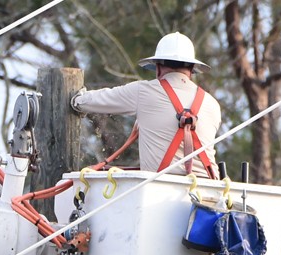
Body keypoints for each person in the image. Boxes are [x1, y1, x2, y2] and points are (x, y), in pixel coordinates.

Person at [72, 32, 221, 177]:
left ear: (158, 68)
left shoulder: (143, 91)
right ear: (191, 69)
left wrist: (75, 99)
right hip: (210, 189)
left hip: (159, 189)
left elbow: (95, 100)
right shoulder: (212, 104)